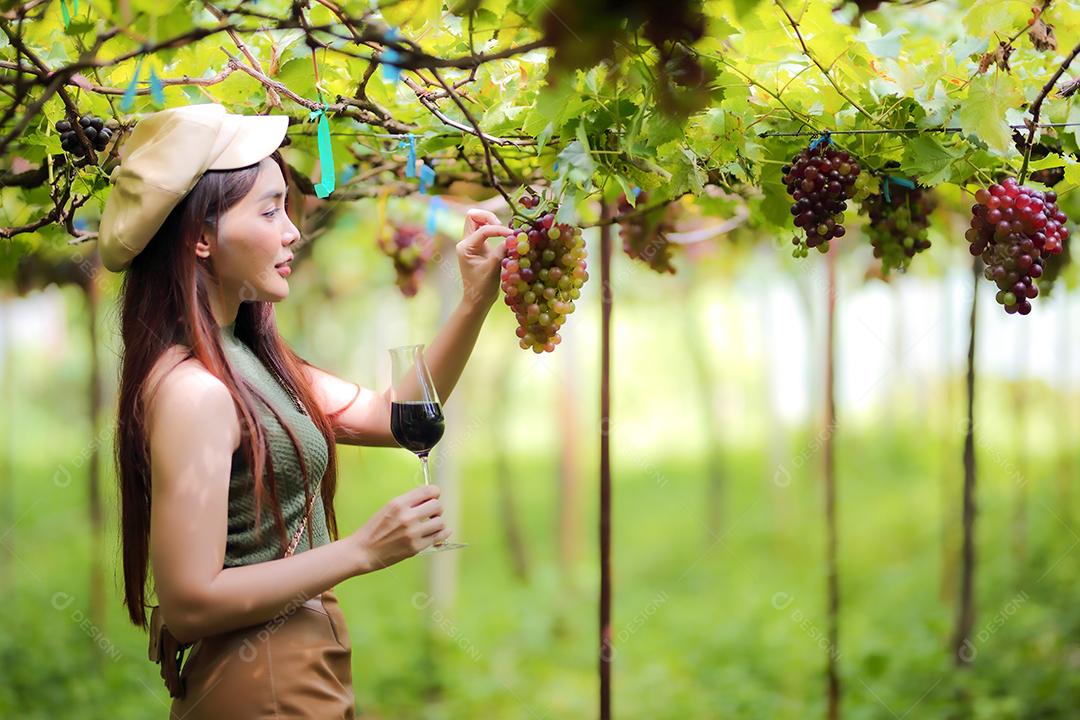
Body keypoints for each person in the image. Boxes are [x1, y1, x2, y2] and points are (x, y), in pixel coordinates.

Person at [98, 103, 513, 718]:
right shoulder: (196, 390)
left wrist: (475, 298)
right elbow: (190, 602)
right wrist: (363, 550)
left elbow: (396, 415)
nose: (292, 230)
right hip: (264, 677)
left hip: (294, 664)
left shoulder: (245, 355)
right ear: (202, 237)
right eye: (270, 210)